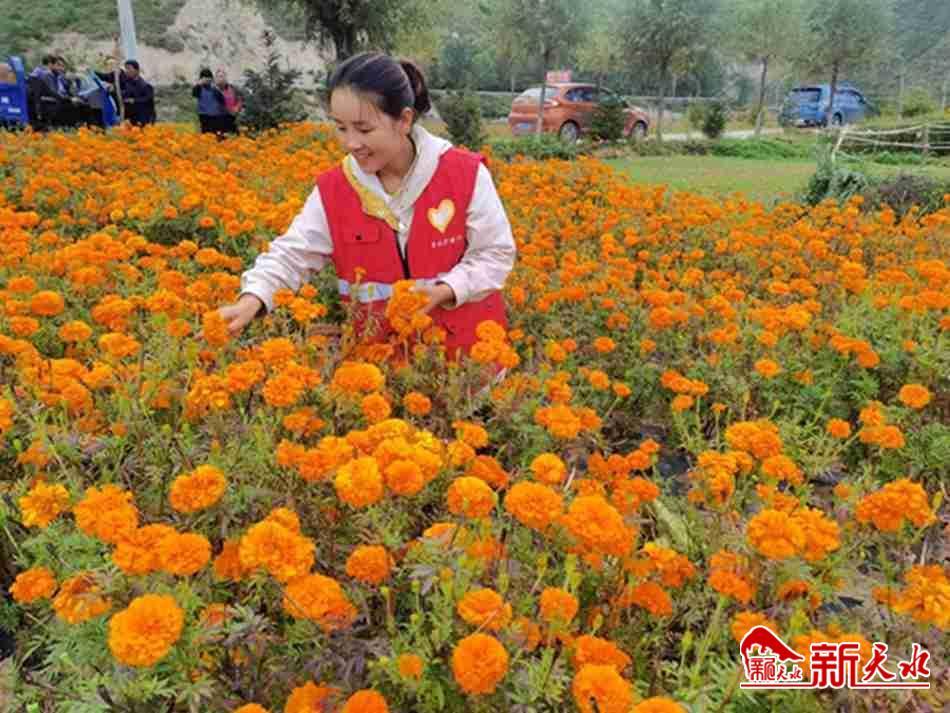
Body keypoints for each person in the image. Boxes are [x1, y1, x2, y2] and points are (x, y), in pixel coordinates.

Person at [219, 52, 516, 358]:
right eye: (341, 128)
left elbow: (495, 253)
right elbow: (293, 253)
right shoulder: (335, 189)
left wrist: (447, 290)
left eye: (364, 129)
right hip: (381, 366)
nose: (351, 143)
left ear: (404, 120)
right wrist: (254, 297)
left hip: (468, 363)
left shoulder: (465, 174)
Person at [97, 59, 155, 127]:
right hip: (124, 116)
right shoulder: (123, 78)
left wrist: (134, 100)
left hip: (140, 118)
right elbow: (106, 77)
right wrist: (92, 72)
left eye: (129, 68)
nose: (127, 71)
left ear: (137, 70)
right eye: (126, 68)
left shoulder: (145, 86)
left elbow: (147, 100)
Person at [193, 68, 226, 134]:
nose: (207, 80)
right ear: (201, 79)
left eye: (209, 78)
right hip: (204, 115)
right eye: (205, 78)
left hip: (215, 115)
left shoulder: (214, 89)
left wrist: (217, 88)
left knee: (215, 134)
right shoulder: (199, 88)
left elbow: (222, 100)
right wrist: (199, 83)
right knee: (205, 134)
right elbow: (194, 93)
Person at [215, 69, 244, 134]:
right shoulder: (213, 90)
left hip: (233, 119)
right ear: (216, 79)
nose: (221, 79)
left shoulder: (233, 88)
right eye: (219, 76)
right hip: (219, 121)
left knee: (236, 137)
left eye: (222, 76)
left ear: (226, 78)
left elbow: (240, 99)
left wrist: (237, 107)